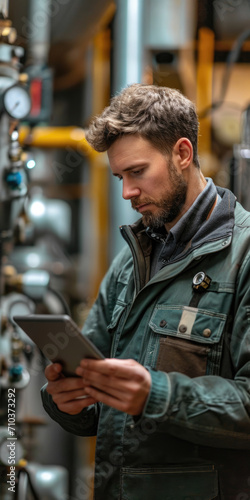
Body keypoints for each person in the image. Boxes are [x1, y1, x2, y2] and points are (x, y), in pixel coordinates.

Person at [41, 84, 250, 500]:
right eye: (120, 177)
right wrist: (71, 402)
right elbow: (99, 388)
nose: (127, 193)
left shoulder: (243, 256)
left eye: (137, 172)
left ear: (182, 154)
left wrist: (157, 396)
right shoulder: (134, 258)